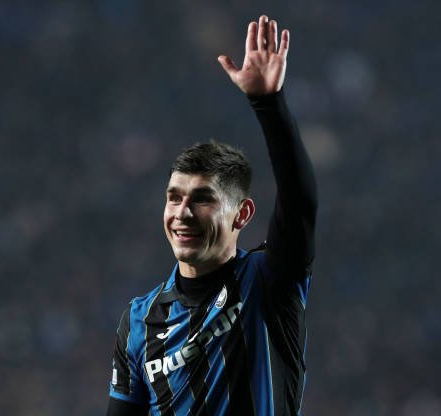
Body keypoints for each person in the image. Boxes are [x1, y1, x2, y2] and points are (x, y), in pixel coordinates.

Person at [107, 14, 317, 416]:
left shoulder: (268, 282)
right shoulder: (139, 319)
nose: (182, 213)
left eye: (202, 200)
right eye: (174, 198)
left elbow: (299, 203)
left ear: (242, 214)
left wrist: (268, 103)